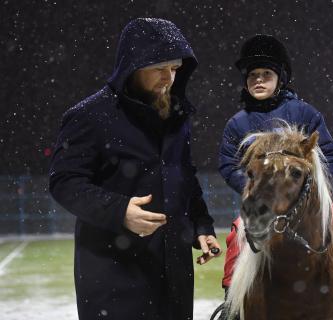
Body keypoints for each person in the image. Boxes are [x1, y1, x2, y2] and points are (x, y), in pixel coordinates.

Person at [49, 18, 221, 320]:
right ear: (132, 65)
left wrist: (201, 226)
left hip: (174, 276)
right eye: (158, 67)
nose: (168, 78)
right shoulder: (89, 116)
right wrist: (119, 211)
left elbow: (184, 176)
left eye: (175, 68)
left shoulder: (175, 116)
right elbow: (64, 182)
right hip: (113, 275)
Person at [218, 34, 333, 316]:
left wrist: (308, 187)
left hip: (311, 201)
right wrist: (256, 188)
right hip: (262, 204)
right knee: (235, 238)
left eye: (266, 74)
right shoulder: (237, 123)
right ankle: (232, 306)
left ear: (280, 78)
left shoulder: (304, 112)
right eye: (253, 75)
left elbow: (329, 154)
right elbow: (227, 165)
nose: (258, 80)